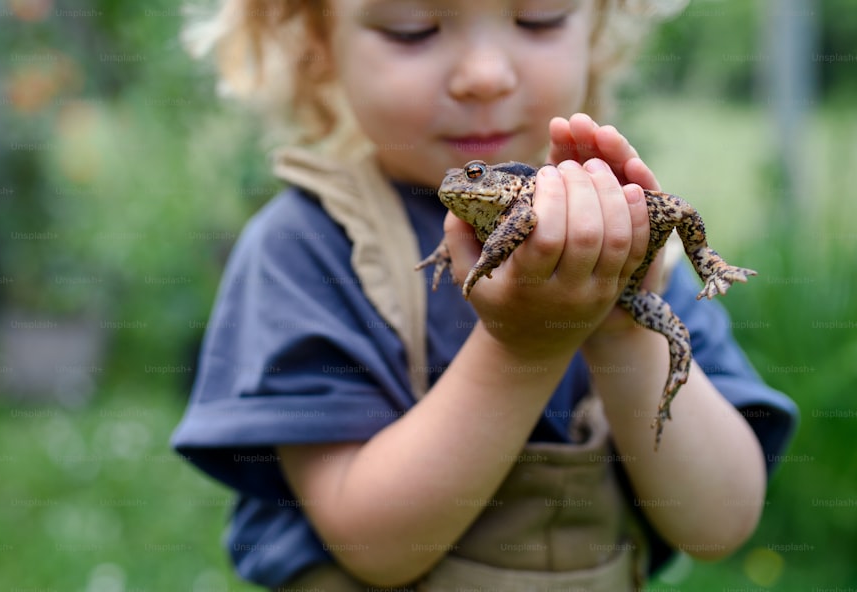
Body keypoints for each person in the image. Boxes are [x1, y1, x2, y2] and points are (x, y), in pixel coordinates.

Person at [171, 1, 798, 590]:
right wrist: (521, 346)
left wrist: (619, 319)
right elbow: (374, 548)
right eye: (413, 27)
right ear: (317, 44)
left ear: (598, 28)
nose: (484, 77)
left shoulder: (624, 240)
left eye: (537, 18)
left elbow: (718, 523)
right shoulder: (303, 249)